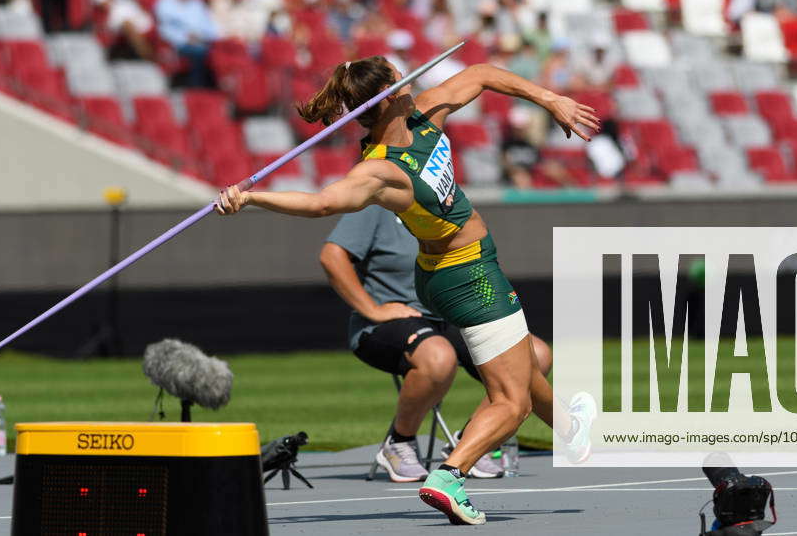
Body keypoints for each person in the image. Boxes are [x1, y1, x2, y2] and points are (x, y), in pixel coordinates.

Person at [216, 56, 599, 525]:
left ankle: (569, 431)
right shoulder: (381, 171)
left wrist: (549, 98)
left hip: (446, 274)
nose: (412, 78)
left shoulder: (426, 113)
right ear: (391, 93)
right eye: (402, 76)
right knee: (511, 401)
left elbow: (481, 74)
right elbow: (321, 202)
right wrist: (251, 196)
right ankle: (450, 476)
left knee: (520, 366)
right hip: (469, 276)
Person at [322, 205, 553, 482]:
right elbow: (331, 256)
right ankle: (399, 441)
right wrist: (373, 309)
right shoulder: (377, 207)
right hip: (388, 322)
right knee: (438, 357)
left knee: (536, 354)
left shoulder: (449, 205)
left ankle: (471, 441)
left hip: (451, 315)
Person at [154, 0, 220, 87]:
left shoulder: (196, 2)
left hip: (201, 40)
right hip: (178, 43)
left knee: (219, 52)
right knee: (200, 53)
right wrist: (185, 37)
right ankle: (197, 87)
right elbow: (164, 28)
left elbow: (207, 24)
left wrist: (210, 37)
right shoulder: (165, 2)